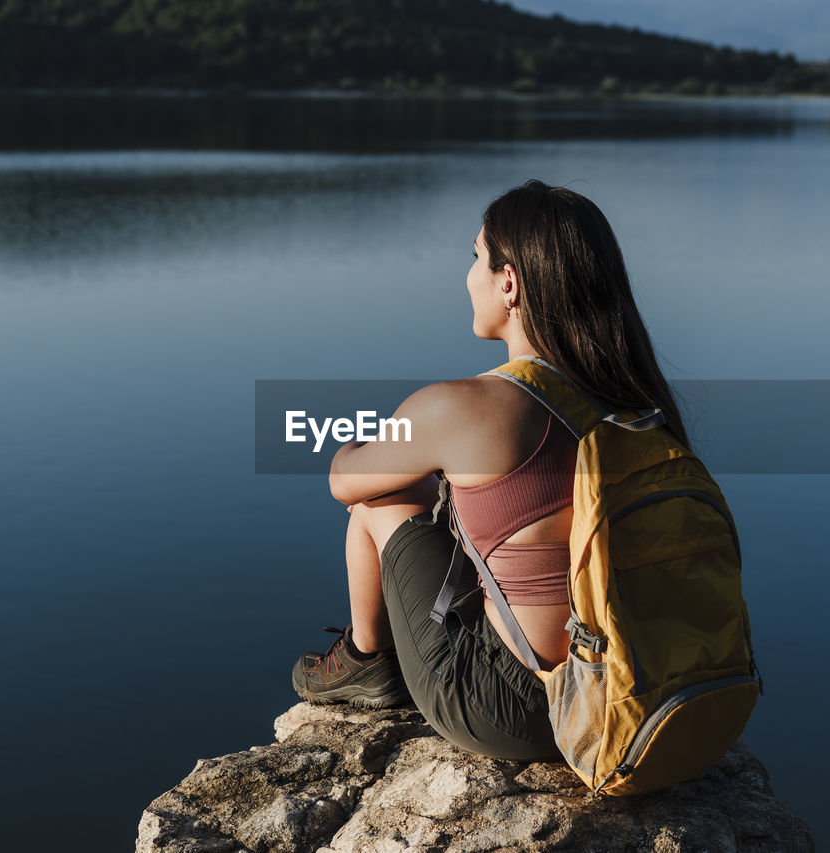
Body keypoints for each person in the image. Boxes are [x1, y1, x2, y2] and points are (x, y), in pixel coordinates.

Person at [291, 179, 691, 762]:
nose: (469, 274)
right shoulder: (637, 401)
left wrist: (389, 441)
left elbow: (343, 479)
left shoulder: (469, 405)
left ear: (510, 284)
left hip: (522, 711)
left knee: (386, 496)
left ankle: (364, 660)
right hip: (639, 690)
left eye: (476, 256)